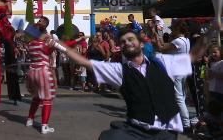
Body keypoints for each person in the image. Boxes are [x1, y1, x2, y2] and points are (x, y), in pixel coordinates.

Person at [49, 30, 184, 139]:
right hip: (136, 130)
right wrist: (57, 45)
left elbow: (194, 56)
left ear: (142, 44)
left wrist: (205, 40)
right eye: (123, 42)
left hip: (166, 131)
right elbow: (85, 62)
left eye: (130, 39)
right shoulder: (120, 70)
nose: (126, 43)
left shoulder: (161, 62)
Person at [152, 20, 191, 130]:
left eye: (173, 28)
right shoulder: (185, 40)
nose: (171, 30)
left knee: (179, 97)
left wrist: (156, 35)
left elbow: (161, 48)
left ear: (178, 29)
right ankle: (183, 121)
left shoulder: (178, 41)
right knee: (181, 96)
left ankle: (186, 124)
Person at [25, 16, 57, 134]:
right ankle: (44, 126)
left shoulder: (30, 43)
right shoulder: (47, 43)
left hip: (32, 71)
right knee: (47, 99)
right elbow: (55, 49)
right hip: (43, 71)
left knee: (36, 97)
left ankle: (30, 119)